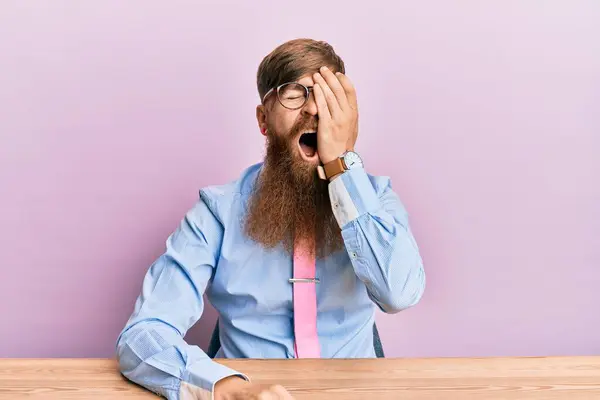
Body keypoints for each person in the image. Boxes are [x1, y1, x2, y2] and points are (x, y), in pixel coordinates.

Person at [116, 38, 425, 400]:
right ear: (264, 119)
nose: (313, 109)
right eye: (295, 94)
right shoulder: (218, 212)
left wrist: (342, 164)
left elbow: (399, 293)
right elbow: (143, 334)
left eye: (327, 97)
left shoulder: (376, 200)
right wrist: (230, 390)